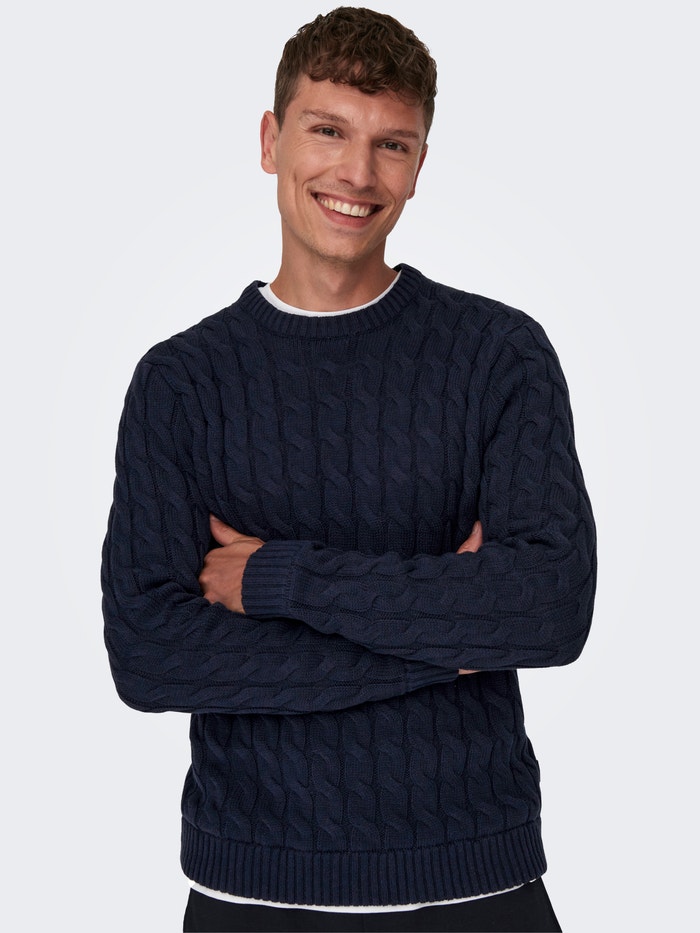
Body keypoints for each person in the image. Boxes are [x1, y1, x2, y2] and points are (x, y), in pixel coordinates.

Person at [102, 7, 596, 932]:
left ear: (419, 163)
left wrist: (278, 579)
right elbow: (150, 655)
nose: (358, 174)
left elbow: (549, 607)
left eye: (391, 144)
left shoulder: (500, 356)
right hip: (253, 895)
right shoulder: (182, 383)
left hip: (479, 891)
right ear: (270, 141)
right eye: (328, 130)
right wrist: (446, 641)